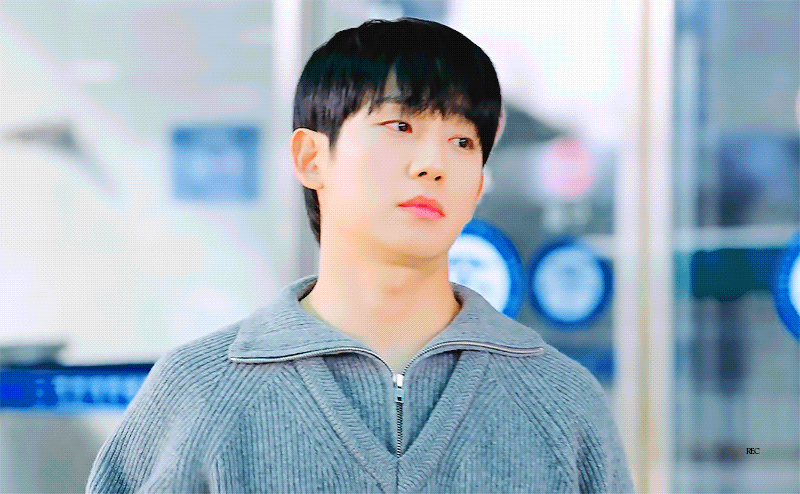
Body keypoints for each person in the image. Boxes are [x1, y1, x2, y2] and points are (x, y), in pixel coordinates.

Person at [87, 18, 634, 493]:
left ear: (476, 187)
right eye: (401, 126)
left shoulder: (561, 401)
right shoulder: (199, 391)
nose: (433, 164)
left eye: (463, 141)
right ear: (311, 157)